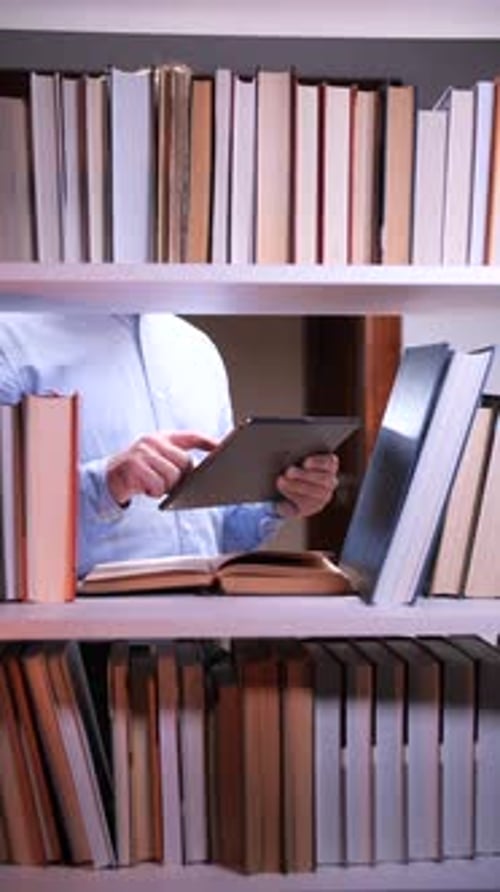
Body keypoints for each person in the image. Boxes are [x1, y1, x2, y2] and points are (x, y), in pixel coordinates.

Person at [0, 312, 339, 577]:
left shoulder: (196, 348)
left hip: (203, 632)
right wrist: (106, 483)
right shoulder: (10, 341)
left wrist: (279, 501)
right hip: (75, 635)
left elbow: (217, 535)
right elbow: (7, 530)